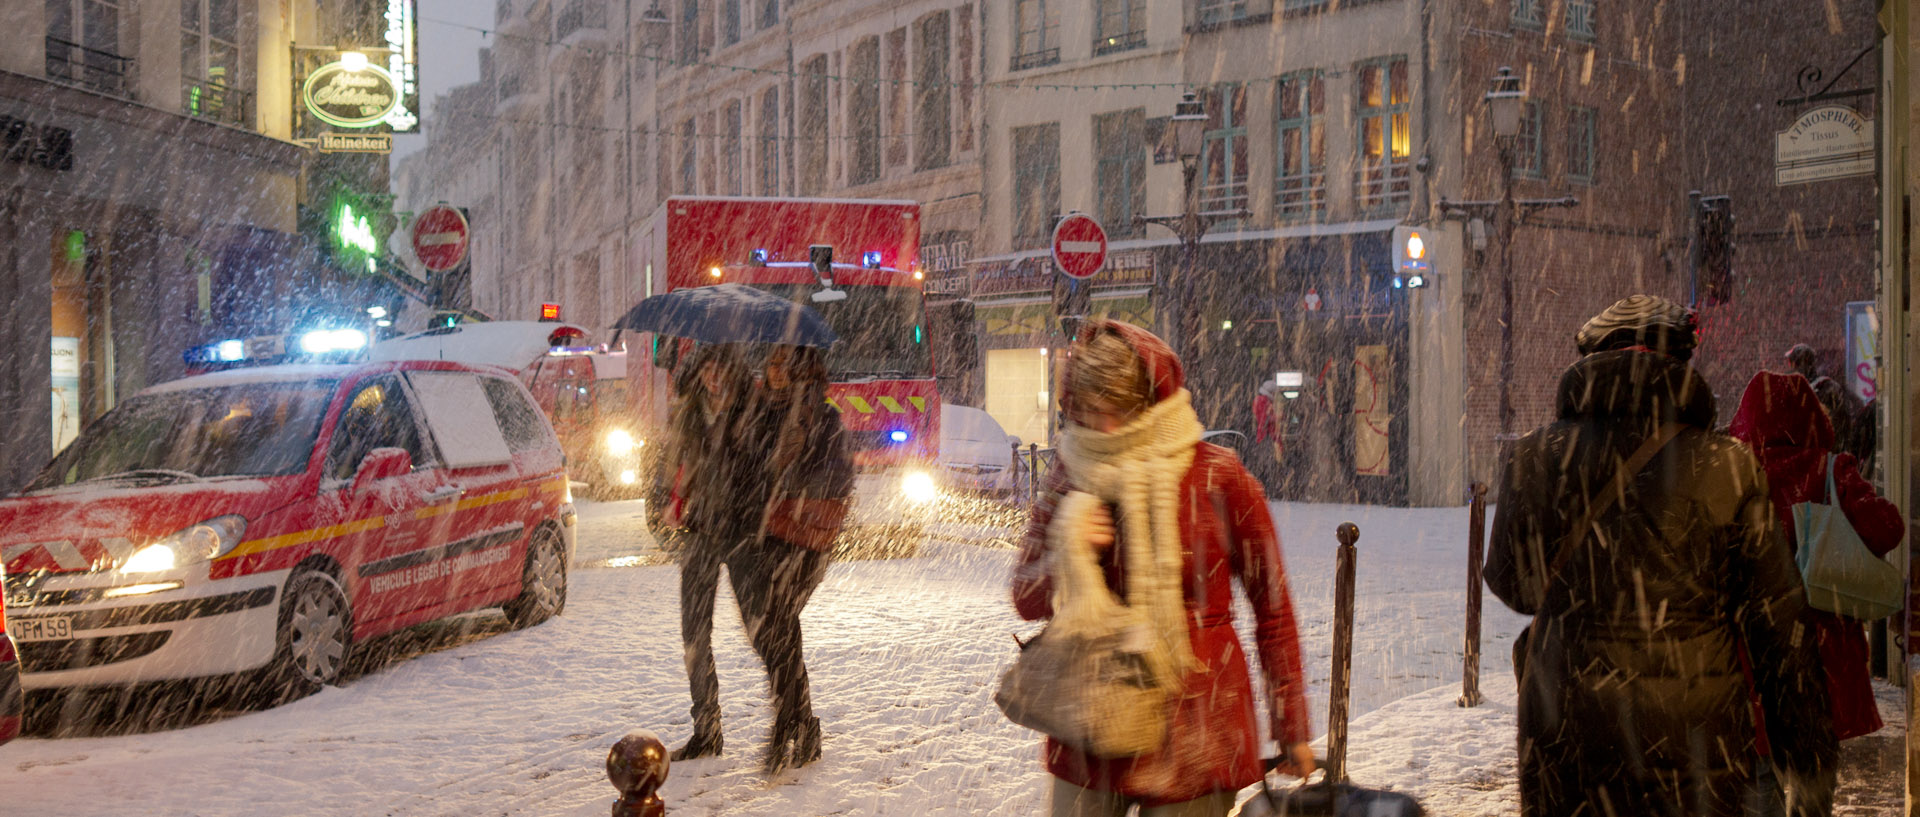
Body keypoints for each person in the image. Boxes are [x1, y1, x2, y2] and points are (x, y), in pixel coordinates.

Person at [1485, 295, 1825, 817]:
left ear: (1588, 363)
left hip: (1567, 733)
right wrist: (1807, 766)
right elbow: (1779, 631)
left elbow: (1515, 586)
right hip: (1696, 739)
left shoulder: (1535, 457)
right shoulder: (1728, 467)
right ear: (1682, 365)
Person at [1011, 320, 1314, 817]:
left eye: (1118, 411)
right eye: (1090, 413)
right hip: (1090, 720)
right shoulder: (1069, 474)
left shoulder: (1219, 476)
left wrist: (1293, 724)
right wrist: (1067, 552)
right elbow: (1024, 598)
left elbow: (1273, 608)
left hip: (1197, 723)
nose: (1105, 429)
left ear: (1151, 401)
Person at [1729, 370, 1905, 817]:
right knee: (1812, 794)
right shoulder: (1830, 471)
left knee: (1757, 778)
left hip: (1750, 662)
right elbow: (1888, 528)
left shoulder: (1731, 477)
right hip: (1819, 665)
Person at [662, 344, 753, 762]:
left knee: (763, 631)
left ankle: (795, 717)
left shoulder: (750, 413)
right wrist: (668, 503)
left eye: (720, 370)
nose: (713, 378)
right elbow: (671, 465)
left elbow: (763, 469)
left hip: (741, 533)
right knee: (694, 634)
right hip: (700, 531)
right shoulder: (689, 412)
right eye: (707, 370)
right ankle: (707, 729)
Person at [1785, 343, 1866, 464]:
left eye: (1791, 364)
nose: (1790, 369)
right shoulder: (1829, 388)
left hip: (1818, 461)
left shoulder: (1810, 391)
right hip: (1827, 460)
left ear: (1797, 365)